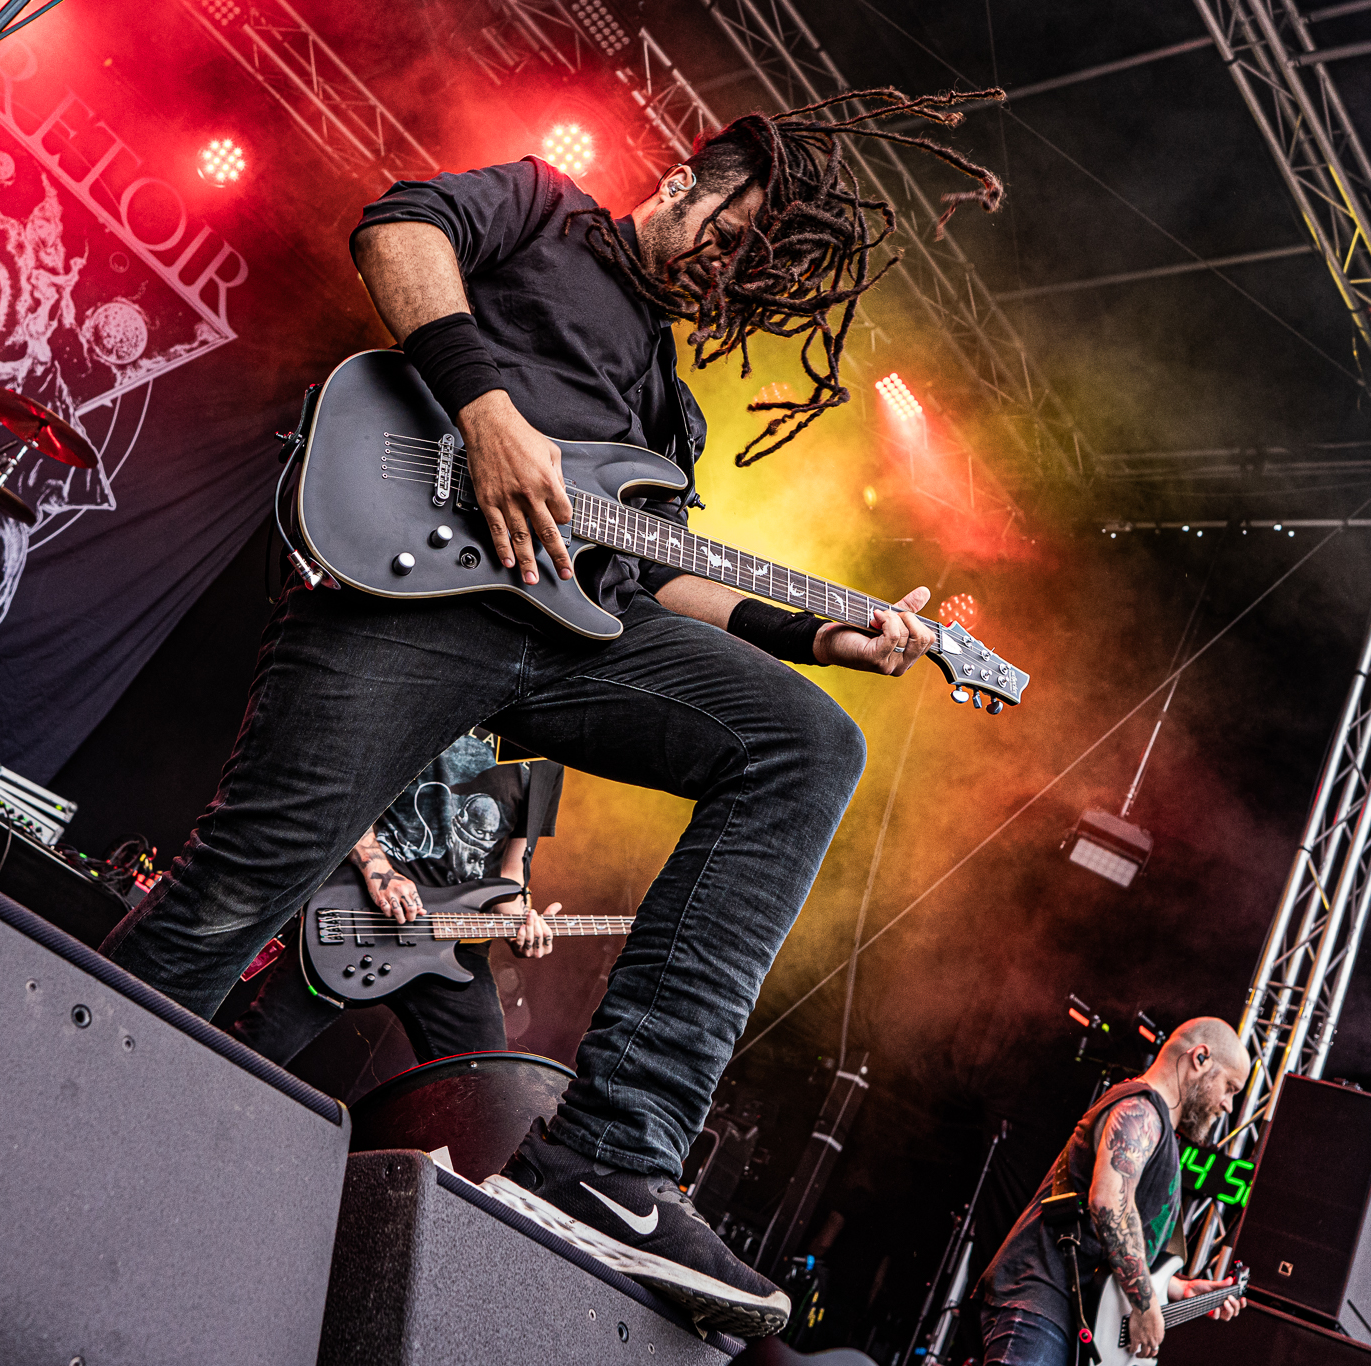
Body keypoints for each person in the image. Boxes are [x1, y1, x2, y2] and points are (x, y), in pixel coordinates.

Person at [99, 88, 1006, 1337]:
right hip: (413, 595)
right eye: (732, 237)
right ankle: (47, 1079)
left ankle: (611, 1154)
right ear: (687, 180)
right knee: (233, 892)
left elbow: (648, 579)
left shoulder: (671, 413)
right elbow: (396, 231)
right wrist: (486, 414)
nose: (727, 272)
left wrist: (818, 634)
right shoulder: (544, 207)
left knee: (806, 740)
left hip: (565, 641)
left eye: (754, 270)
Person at [228, 730, 565, 1068]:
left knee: (482, 1087)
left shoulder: (548, 756)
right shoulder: (451, 701)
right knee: (253, 1054)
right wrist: (377, 868)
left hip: (453, 945)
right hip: (361, 908)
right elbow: (348, 783)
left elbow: (510, 873)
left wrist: (523, 924)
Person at [977, 1020, 1254, 1366]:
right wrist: (1145, 1304)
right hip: (1044, 1303)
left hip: (1076, 1319)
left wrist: (1176, 1288)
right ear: (1200, 1058)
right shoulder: (1141, 1110)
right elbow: (1109, 1202)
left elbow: (1114, 1251)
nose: (1228, 1105)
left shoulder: (1160, 1131)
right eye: (1229, 1087)